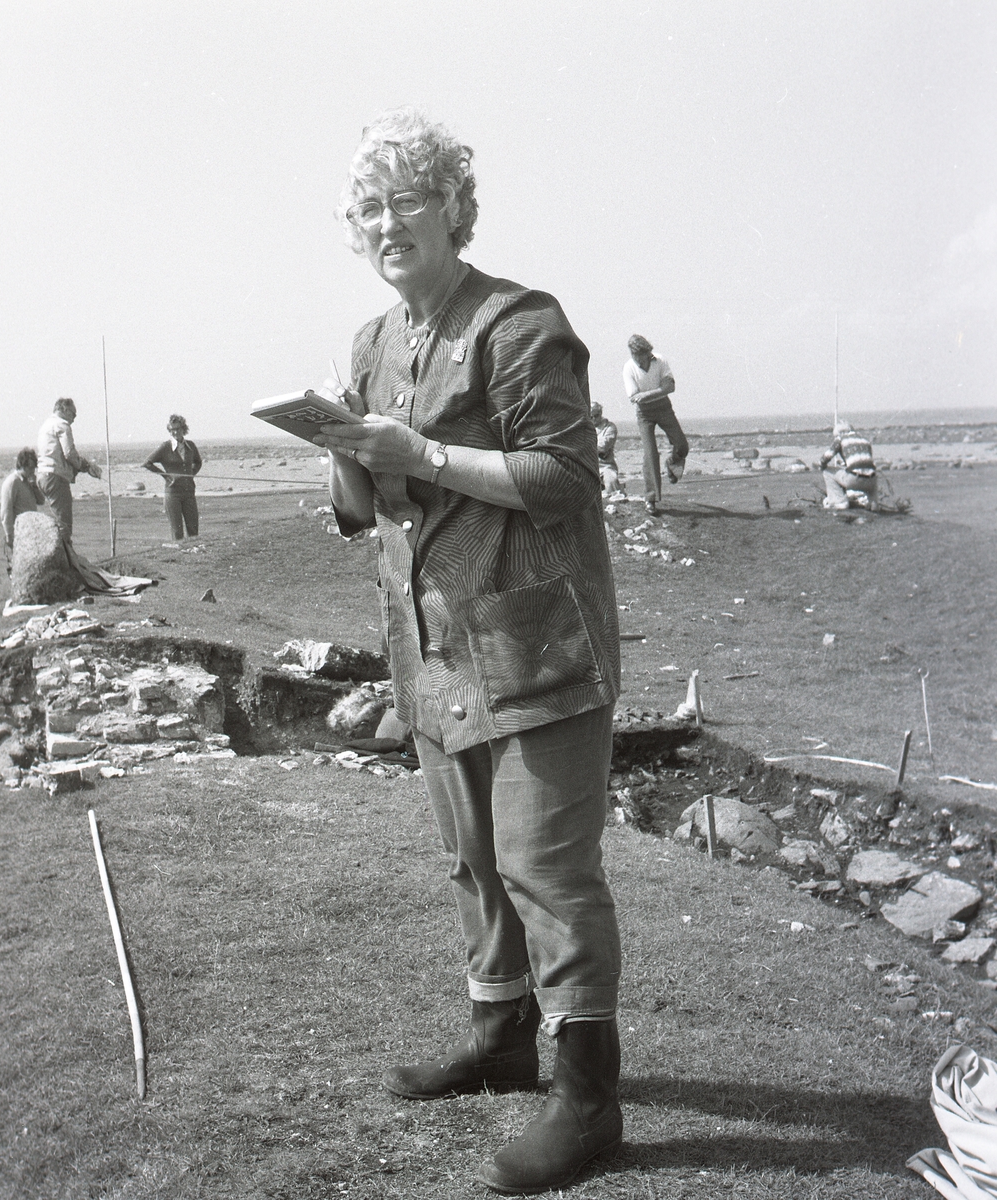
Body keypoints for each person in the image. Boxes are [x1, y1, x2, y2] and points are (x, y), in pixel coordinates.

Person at [314, 108, 624, 1195]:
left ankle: (589, 1099)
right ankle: (500, 1041)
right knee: (474, 858)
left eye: (405, 198)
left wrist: (423, 452)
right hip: (434, 646)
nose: (384, 222)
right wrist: (346, 454)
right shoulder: (372, 343)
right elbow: (368, 510)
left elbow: (563, 477)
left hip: (536, 641)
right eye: (367, 207)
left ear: (453, 206)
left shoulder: (520, 321)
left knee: (546, 866)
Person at [622, 334, 688, 515]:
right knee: (650, 454)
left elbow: (671, 387)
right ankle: (651, 499)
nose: (638, 358)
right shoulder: (628, 368)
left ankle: (672, 464)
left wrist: (646, 394)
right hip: (644, 414)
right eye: (634, 354)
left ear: (647, 352)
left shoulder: (660, 360)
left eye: (640, 354)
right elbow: (635, 397)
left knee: (682, 445)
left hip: (664, 408)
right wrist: (659, 391)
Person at [35, 397, 102, 542]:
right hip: (56, 478)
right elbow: (69, 454)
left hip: (42, 476)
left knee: (58, 522)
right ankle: (65, 554)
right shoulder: (62, 425)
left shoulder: (45, 425)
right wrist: (86, 466)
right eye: (73, 414)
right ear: (64, 410)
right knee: (64, 525)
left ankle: (61, 550)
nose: (74, 419)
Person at [143, 414, 202, 539]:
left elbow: (198, 462)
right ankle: (179, 551)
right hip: (173, 493)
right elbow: (147, 463)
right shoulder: (165, 447)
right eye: (172, 430)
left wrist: (191, 474)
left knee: (193, 530)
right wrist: (166, 476)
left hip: (189, 492)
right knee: (177, 531)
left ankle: (193, 551)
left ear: (183, 429)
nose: (175, 432)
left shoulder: (191, 446)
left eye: (178, 429)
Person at [0, 447, 45, 569]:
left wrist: (34, 486)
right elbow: (6, 510)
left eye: (34, 468)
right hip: (19, 533)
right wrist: (9, 535)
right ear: (22, 465)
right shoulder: (12, 482)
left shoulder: (28, 481)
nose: (32, 471)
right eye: (30, 467)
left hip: (32, 531)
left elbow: (41, 501)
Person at [819, 420, 878, 510]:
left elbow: (827, 456)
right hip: (872, 481)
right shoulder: (865, 440)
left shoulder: (841, 439)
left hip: (854, 480)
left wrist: (821, 465)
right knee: (869, 473)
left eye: (835, 436)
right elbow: (865, 462)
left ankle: (840, 501)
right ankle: (873, 504)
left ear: (841, 433)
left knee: (827, 472)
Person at [591, 402, 622, 495]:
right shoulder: (582, 428)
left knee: (611, 480)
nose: (593, 419)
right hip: (587, 464)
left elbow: (603, 446)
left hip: (605, 466)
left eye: (596, 416)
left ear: (600, 413)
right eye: (590, 417)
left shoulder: (610, 427)